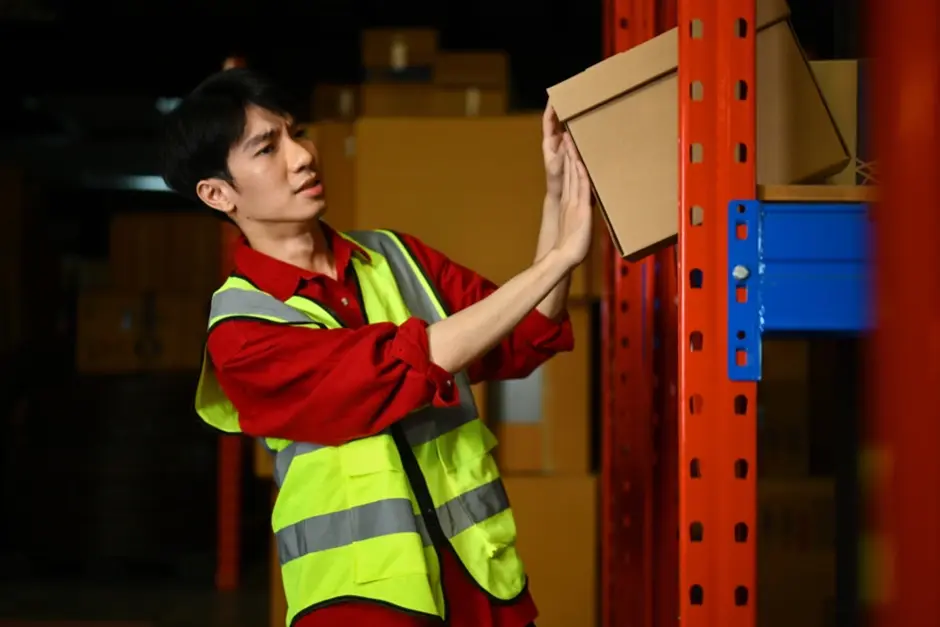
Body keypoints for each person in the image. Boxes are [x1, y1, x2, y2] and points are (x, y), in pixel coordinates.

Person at [160, 68, 593, 627]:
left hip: (481, 588)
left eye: (297, 132)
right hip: (365, 608)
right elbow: (396, 367)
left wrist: (556, 200)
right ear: (219, 193)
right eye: (268, 148)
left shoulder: (394, 257)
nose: (302, 156)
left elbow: (526, 330)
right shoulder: (242, 331)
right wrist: (558, 259)